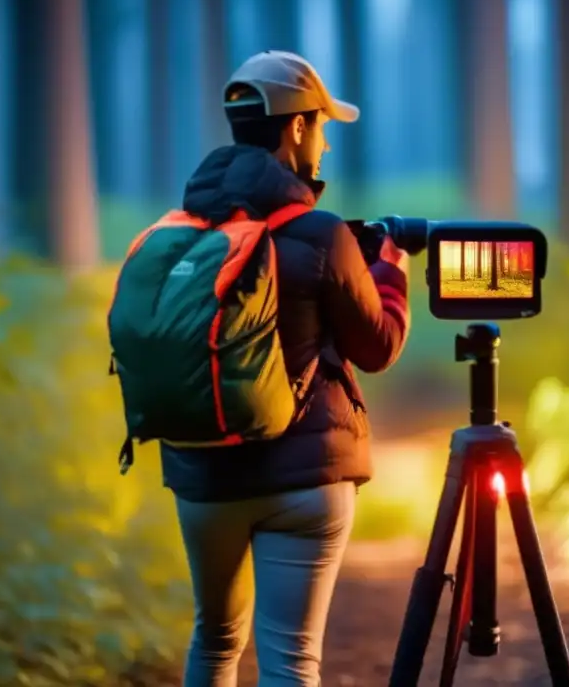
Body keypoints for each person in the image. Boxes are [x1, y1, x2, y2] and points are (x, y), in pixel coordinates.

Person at [163, 50, 411, 686]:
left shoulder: (184, 231)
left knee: (215, 640)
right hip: (304, 480)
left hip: (204, 475)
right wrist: (389, 276)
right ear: (296, 127)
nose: (325, 143)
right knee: (291, 662)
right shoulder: (322, 235)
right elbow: (377, 348)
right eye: (322, 125)